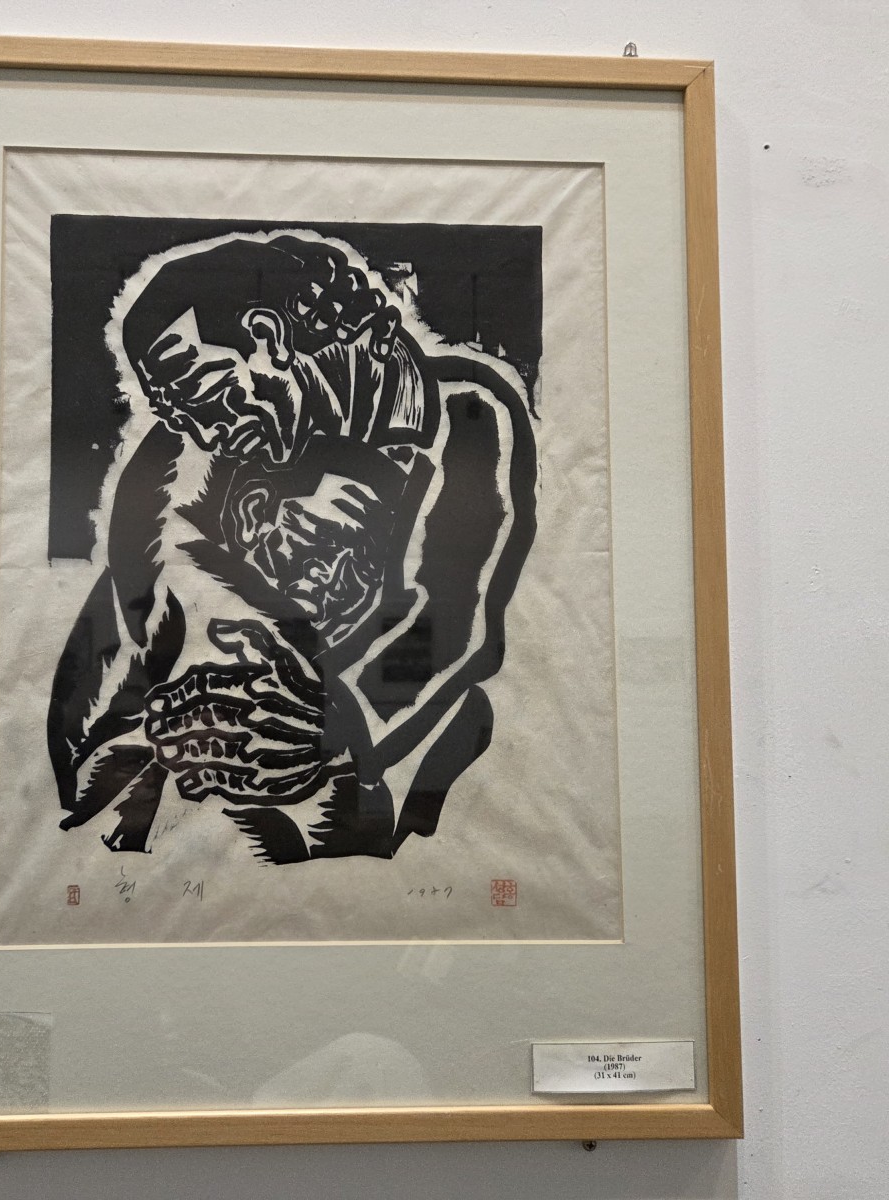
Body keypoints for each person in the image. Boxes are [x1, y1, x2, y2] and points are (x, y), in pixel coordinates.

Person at [47, 232, 537, 861]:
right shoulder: (190, 446)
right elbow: (161, 585)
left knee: (465, 721)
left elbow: (453, 616)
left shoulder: (466, 413)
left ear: (267, 337)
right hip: (195, 711)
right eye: (177, 415)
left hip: (343, 725)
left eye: (201, 397)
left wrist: (330, 725)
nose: (203, 430)